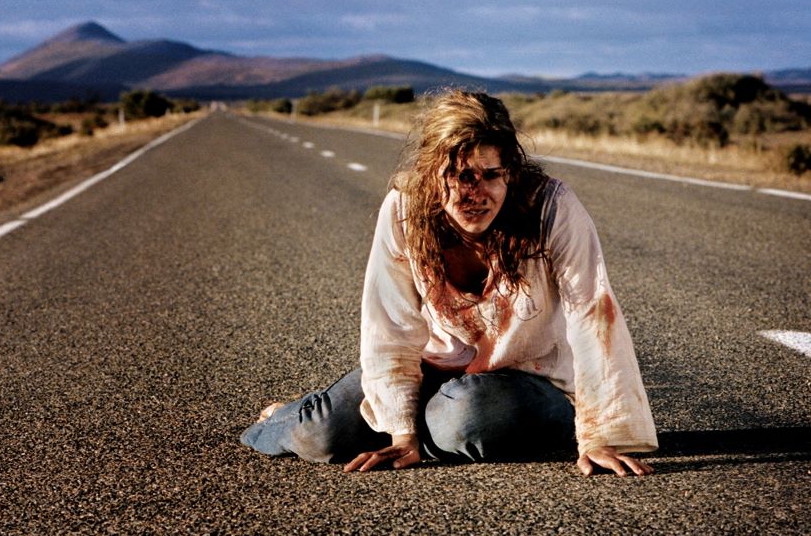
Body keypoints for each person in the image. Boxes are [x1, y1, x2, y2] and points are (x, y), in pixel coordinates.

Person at [241, 89, 657, 476]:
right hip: (435, 367)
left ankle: (419, 424)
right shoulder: (406, 209)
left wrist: (601, 435)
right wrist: (401, 434)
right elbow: (390, 326)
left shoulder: (551, 207)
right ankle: (291, 415)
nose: (473, 193)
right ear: (430, 173)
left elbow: (593, 316)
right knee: (321, 435)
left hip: (530, 382)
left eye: (489, 175)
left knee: (467, 416)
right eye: (457, 175)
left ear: (509, 171)